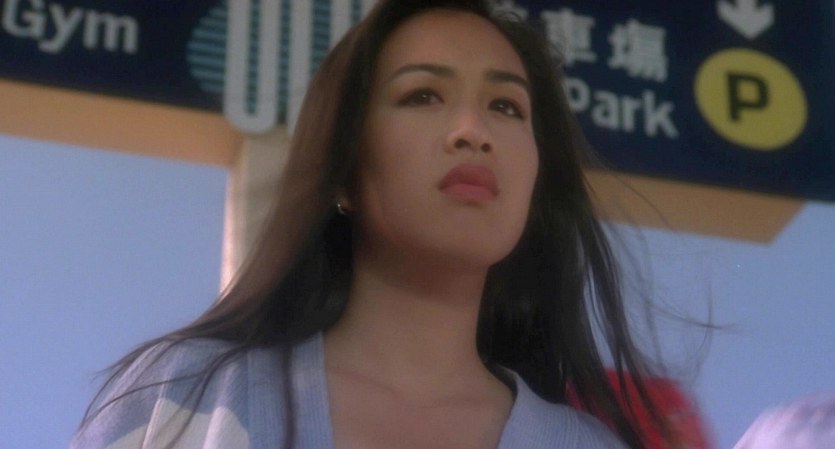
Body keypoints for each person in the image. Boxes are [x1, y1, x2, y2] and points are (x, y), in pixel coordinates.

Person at [72, 1, 681, 448]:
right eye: (422, 96)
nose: (473, 131)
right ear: (343, 171)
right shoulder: (186, 395)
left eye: (505, 106)